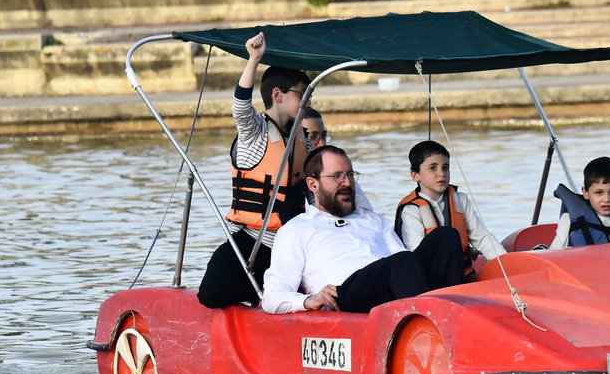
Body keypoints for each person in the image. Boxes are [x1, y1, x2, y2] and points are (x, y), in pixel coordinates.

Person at [262, 146, 465, 314]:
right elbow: (272, 297)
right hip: (347, 296)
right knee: (401, 261)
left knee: (445, 236)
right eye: (337, 176)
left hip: (392, 285)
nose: (348, 183)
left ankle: (455, 316)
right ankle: (431, 326)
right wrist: (309, 300)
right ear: (313, 184)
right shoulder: (296, 229)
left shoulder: (374, 220)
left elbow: (404, 259)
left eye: (350, 175)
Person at [195, 31, 310, 309]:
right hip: (252, 241)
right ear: (277, 95)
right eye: (303, 94)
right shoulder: (255, 132)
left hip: (292, 243)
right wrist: (254, 59)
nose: (308, 100)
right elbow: (240, 107)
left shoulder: (301, 136)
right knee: (211, 295)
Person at [395, 140, 506, 278]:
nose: (441, 173)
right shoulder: (411, 209)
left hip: (463, 274)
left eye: (445, 167)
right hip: (433, 278)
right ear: (415, 175)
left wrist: (505, 264)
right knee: (447, 234)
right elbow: (415, 252)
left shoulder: (460, 200)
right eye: (433, 168)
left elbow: (482, 238)